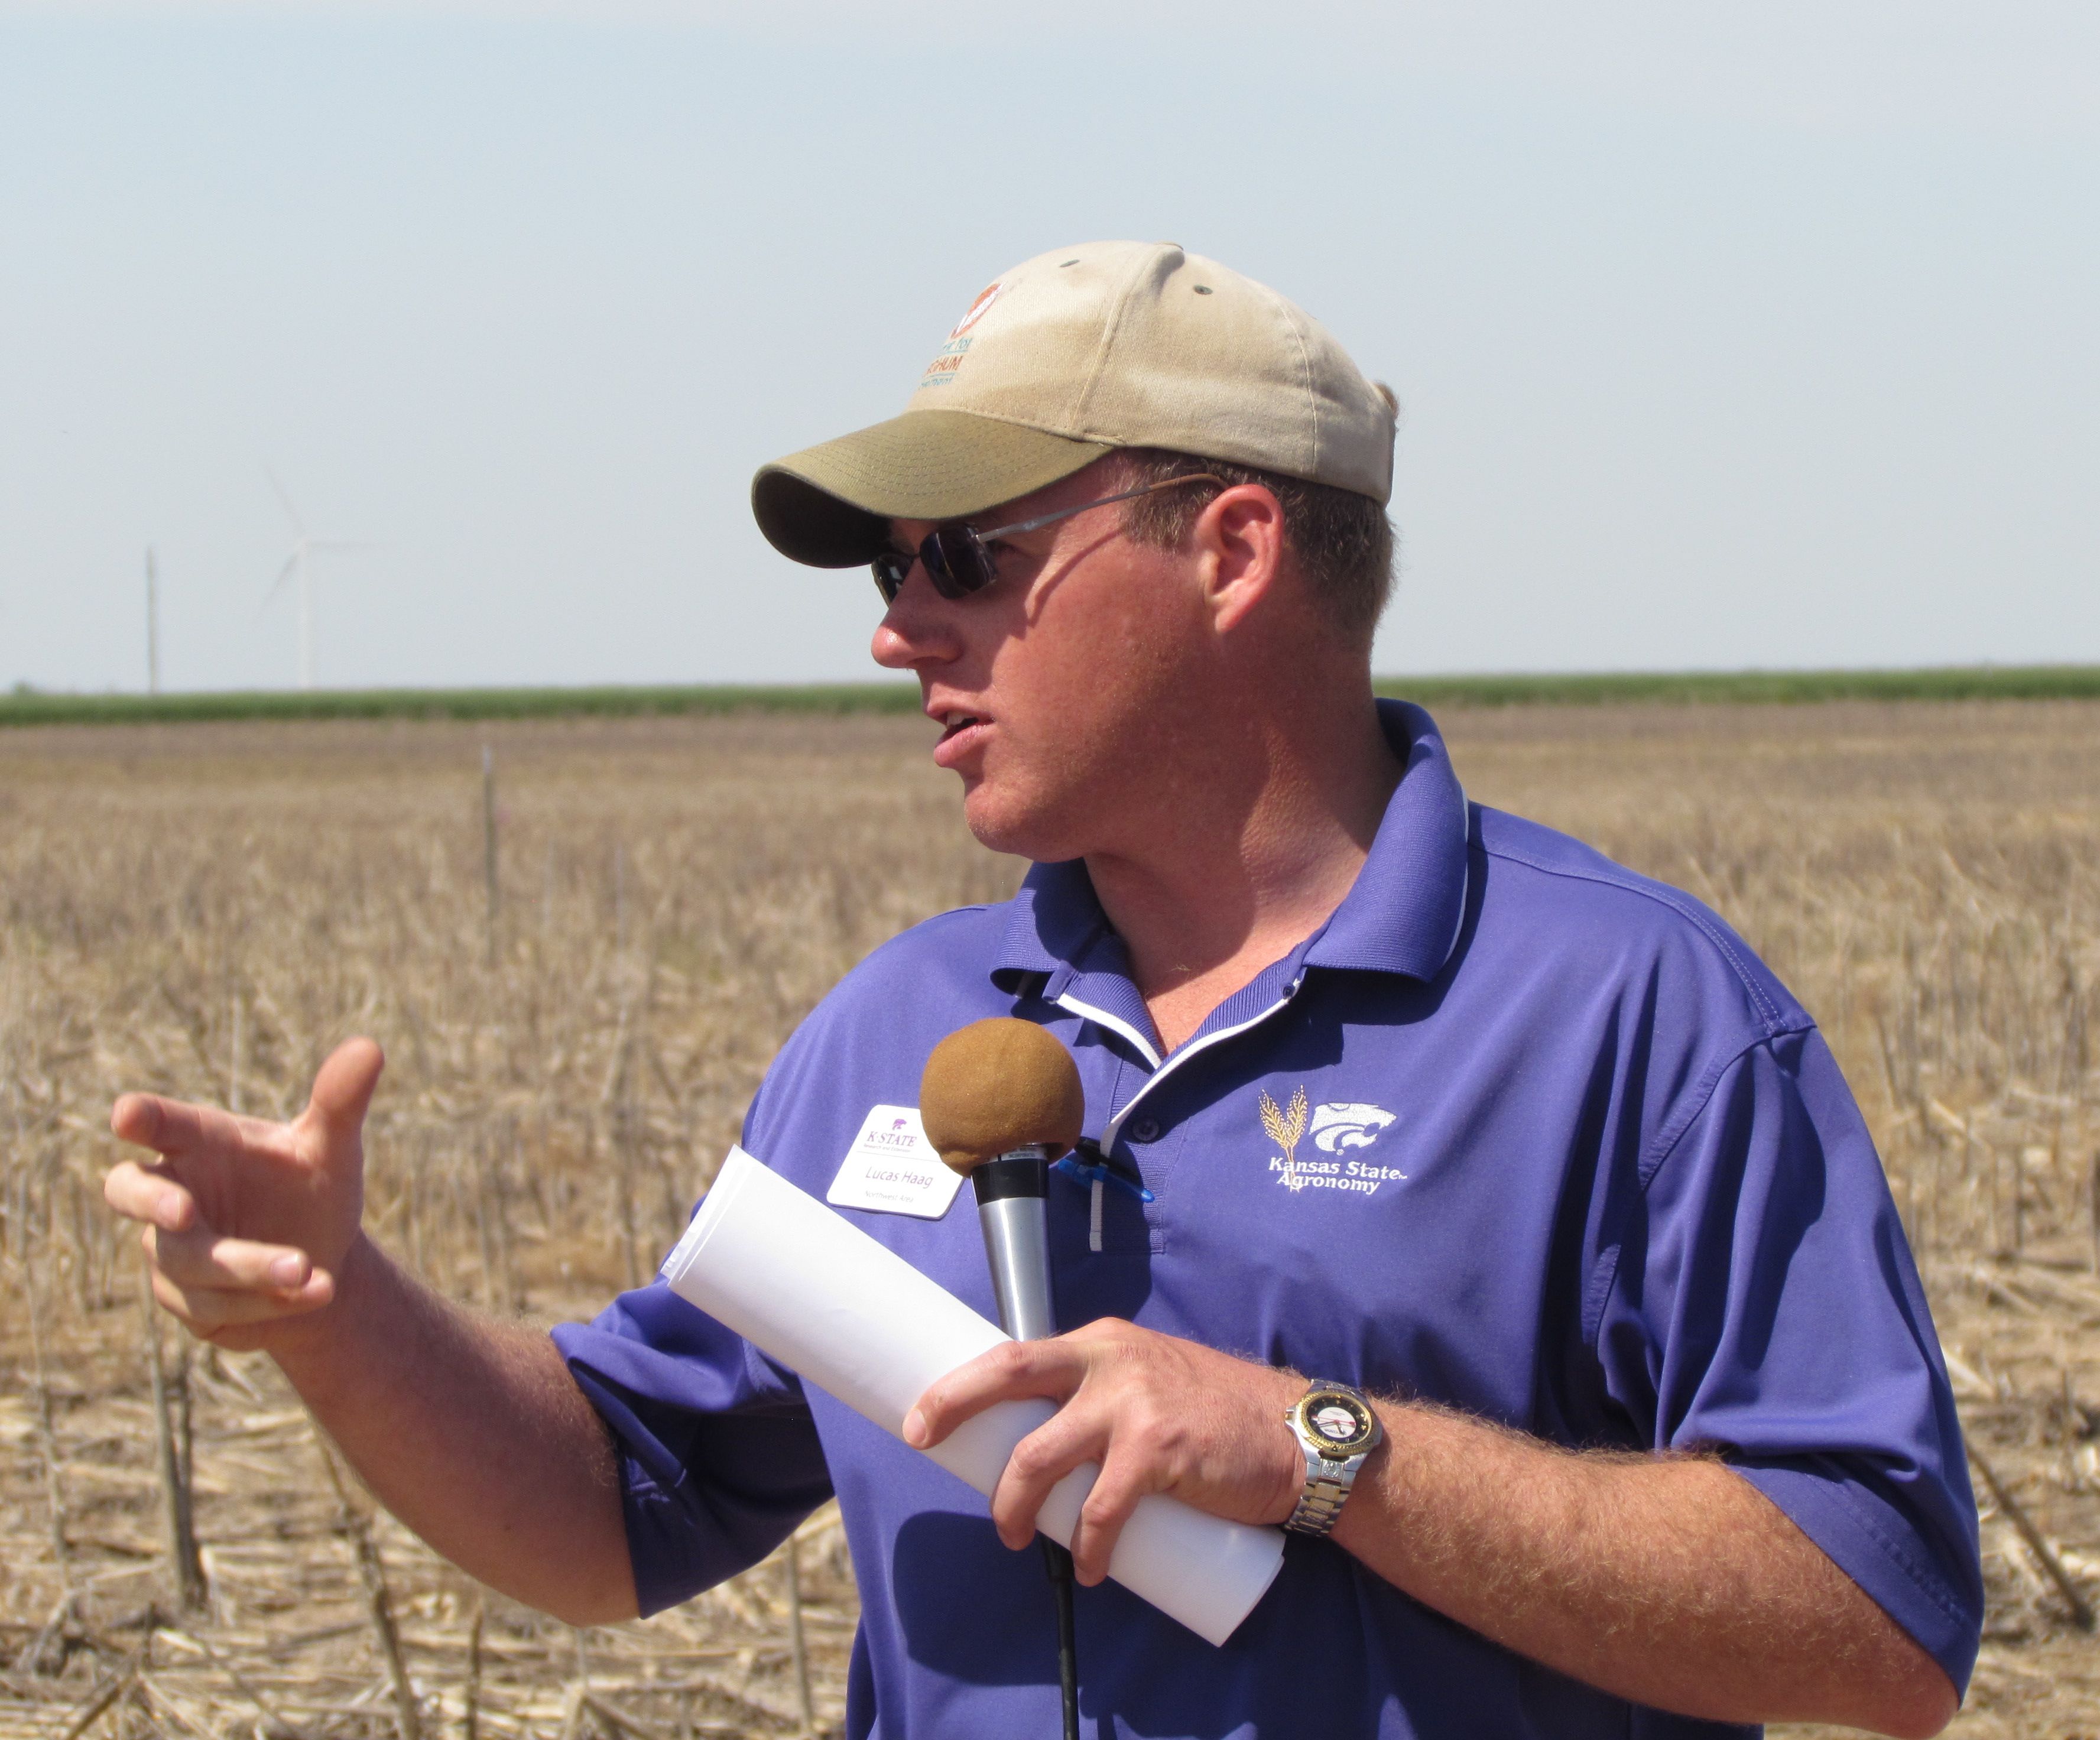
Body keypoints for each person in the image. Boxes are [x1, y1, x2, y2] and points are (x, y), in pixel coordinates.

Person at [104, 241, 1982, 1739]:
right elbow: (619, 1502)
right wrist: (337, 1313)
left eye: (967, 554)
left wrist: (1322, 1454)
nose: (895, 621)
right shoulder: (891, 1027)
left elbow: (1875, 1616)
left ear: (1231, 550)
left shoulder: (1627, 1016)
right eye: (888, 563)